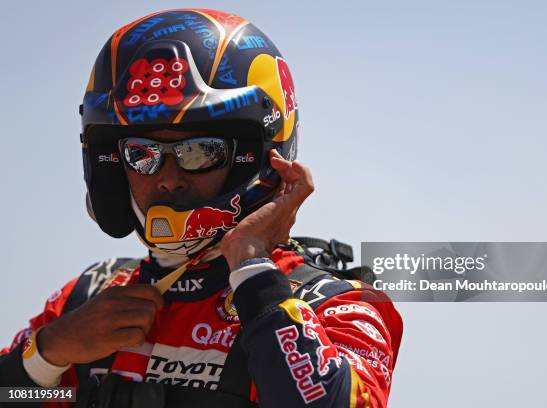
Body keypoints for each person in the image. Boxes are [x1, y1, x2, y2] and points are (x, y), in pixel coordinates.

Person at [0, 8, 403, 407]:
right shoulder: (87, 297)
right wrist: (47, 353)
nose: (169, 178)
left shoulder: (339, 304)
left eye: (199, 151)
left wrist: (251, 267)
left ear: (254, 156)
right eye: (142, 153)